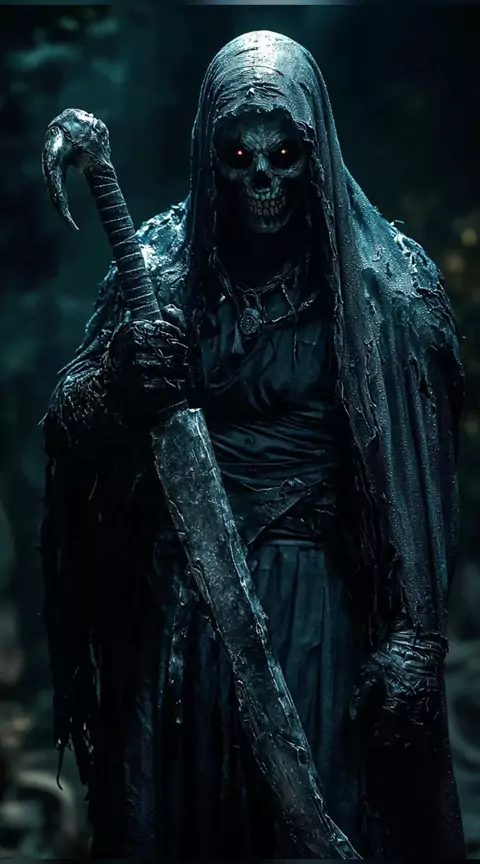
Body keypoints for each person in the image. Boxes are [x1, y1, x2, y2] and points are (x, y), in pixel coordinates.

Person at [41, 30, 465, 859]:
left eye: (284, 153)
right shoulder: (158, 272)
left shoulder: (387, 290)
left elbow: (423, 475)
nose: (263, 178)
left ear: (316, 149)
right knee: (190, 822)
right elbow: (68, 424)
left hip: (321, 613)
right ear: (211, 154)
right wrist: (119, 383)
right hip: (181, 607)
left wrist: (416, 635)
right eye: (239, 155)